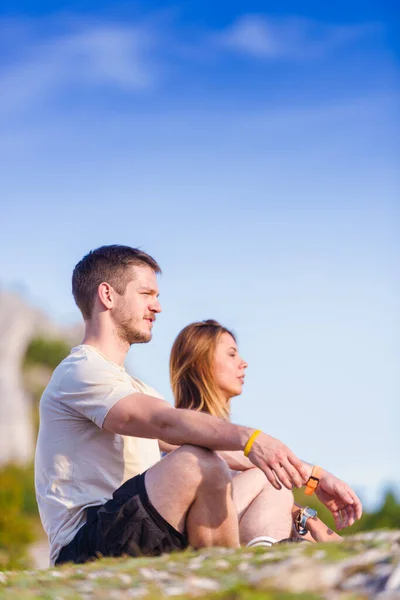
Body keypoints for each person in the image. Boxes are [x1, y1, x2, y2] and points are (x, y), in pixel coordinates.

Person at [35, 245, 362, 567]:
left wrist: (315, 477)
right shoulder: (79, 371)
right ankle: (240, 570)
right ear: (107, 295)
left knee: (250, 467)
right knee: (197, 462)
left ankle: (247, 571)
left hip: (142, 528)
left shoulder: (137, 387)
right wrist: (250, 437)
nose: (158, 307)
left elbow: (226, 453)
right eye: (146, 294)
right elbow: (165, 423)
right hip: (85, 548)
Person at [170, 319, 344, 545]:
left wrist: (311, 521)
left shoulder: (228, 438)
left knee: (292, 519)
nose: (243, 363)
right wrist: (315, 476)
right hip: (189, 531)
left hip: (223, 524)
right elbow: (247, 460)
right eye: (231, 355)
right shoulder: (180, 428)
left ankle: (272, 556)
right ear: (200, 363)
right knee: (266, 476)